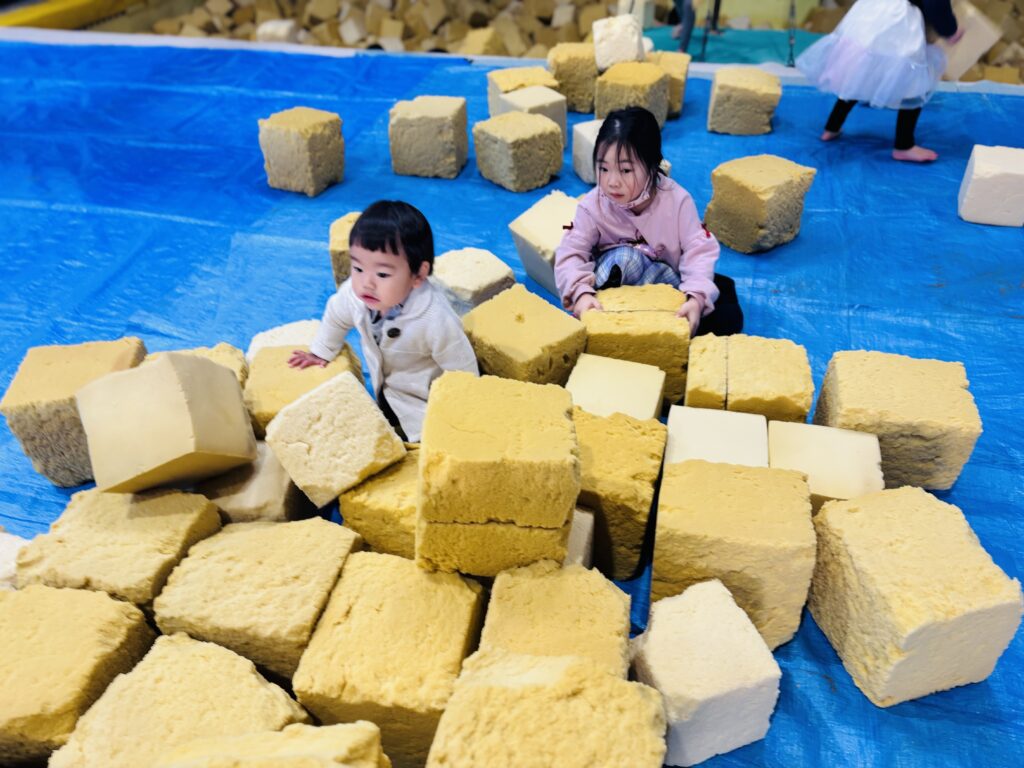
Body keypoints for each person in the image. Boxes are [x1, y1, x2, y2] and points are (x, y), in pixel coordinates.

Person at [289, 200, 478, 442]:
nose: (366, 282)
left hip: (424, 403)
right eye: (357, 268)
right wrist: (321, 351)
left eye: (382, 274)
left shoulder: (434, 318)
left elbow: (462, 368)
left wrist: (465, 414)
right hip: (386, 395)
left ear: (418, 274)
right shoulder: (354, 295)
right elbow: (336, 316)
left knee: (428, 452)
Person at [554, 107, 742, 337]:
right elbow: (571, 252)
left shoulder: (677, 201)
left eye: (625, 170)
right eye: (603, 168)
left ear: (652, 165)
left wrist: (695, 299)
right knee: (625, 258)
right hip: (615, 293)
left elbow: (698, 249)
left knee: (725, 308)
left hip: (665, 287)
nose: (612, 181)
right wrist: (581, 295)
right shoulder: (593, 206)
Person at [796, 0, 964, 163]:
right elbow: (936, 3)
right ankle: (904, 146)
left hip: (870, 11)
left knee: (860, 72)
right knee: (913, 82)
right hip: (899, 19)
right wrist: (949, 30)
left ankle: (832, 127)